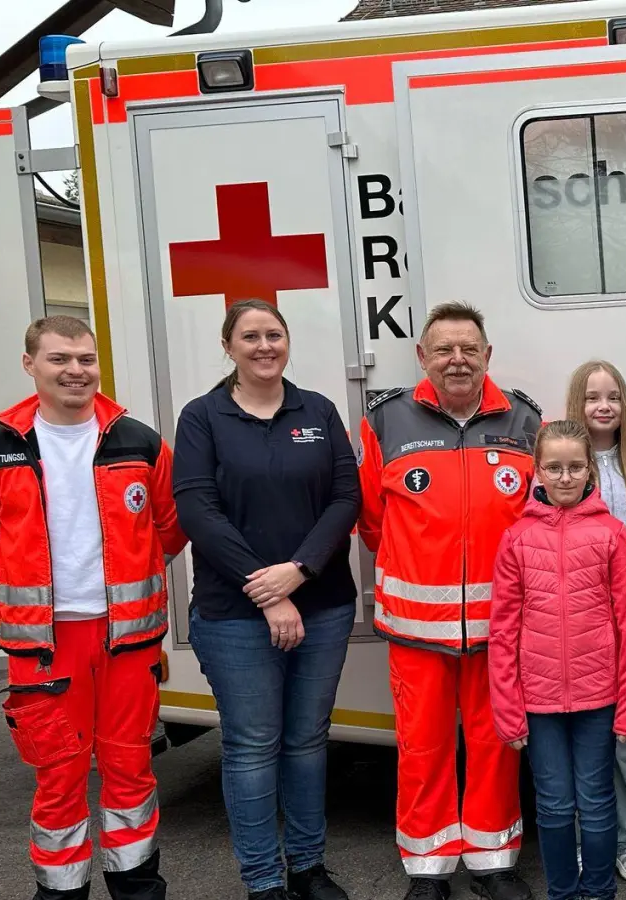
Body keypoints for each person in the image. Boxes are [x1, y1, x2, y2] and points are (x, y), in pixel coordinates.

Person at [0, 315, 186, 900]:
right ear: (30, 365)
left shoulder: (138, 440)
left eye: (86, 359)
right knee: (58, 778)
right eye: (60, 359)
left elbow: (171, 527)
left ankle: (137, 887)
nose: (75, 371)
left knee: (131, 769)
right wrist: (24, 595)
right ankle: (60, 892)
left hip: (127, 641)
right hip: (45, 645)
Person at [173, 299, 361, 900]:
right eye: (249, 336)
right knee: (253, 745)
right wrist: (268, 589)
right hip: (235, 616)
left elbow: (345, 499)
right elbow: (198, 510)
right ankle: (263, 880)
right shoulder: (203, 417)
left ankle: (308, 867)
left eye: (274, 334)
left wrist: (300, 571)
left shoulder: (319, 411)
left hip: (323, 603)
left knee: (307, 740)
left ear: (288, 342)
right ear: (227, 347)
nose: (264, 346)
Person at [357, 302, 541, 900]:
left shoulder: (524, 420)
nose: (456, 360)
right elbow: (372, 520)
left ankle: (493, 860)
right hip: (416, 629)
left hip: (500, 629)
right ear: (422, 357)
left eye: (468, 349)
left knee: (495, 744)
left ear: (487, 355)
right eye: (443, 349)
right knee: (422, 748)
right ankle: (428, 867)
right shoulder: (386, 422)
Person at [489, 420, 626, 900]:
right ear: (537, 470)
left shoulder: (611, 533)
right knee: (555, 808)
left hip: (598, 699)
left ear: (589, 470)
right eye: (554, 468)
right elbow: (502, 630)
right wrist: (508, 709)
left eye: (575, 467)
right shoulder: (517, 538)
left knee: (598, 804)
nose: (564, 477)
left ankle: (598, 892)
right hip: (537, 704)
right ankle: (562, 892)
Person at [565, 360, 626, 884]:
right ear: (576, 405)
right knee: (587, 740)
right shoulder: (568, 466)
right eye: (592, 397)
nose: (603, 407)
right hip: (580, 627)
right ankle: (590, 838)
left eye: (613, 397)